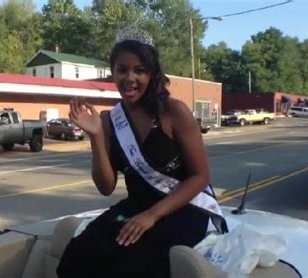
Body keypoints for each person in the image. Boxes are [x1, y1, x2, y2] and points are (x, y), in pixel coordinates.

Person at [56, 29, 224, 278]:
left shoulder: (173, 111)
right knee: (77, 255)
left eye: (139, 70)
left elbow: (200, 177)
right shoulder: (110, 121)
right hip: (136, 207)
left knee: (133, 267)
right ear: (113, 72)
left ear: (152, 74)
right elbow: (106, 186)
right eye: (122, 70)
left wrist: (152, 215)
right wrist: (96, 137)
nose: (130, 78)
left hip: (183, 209)